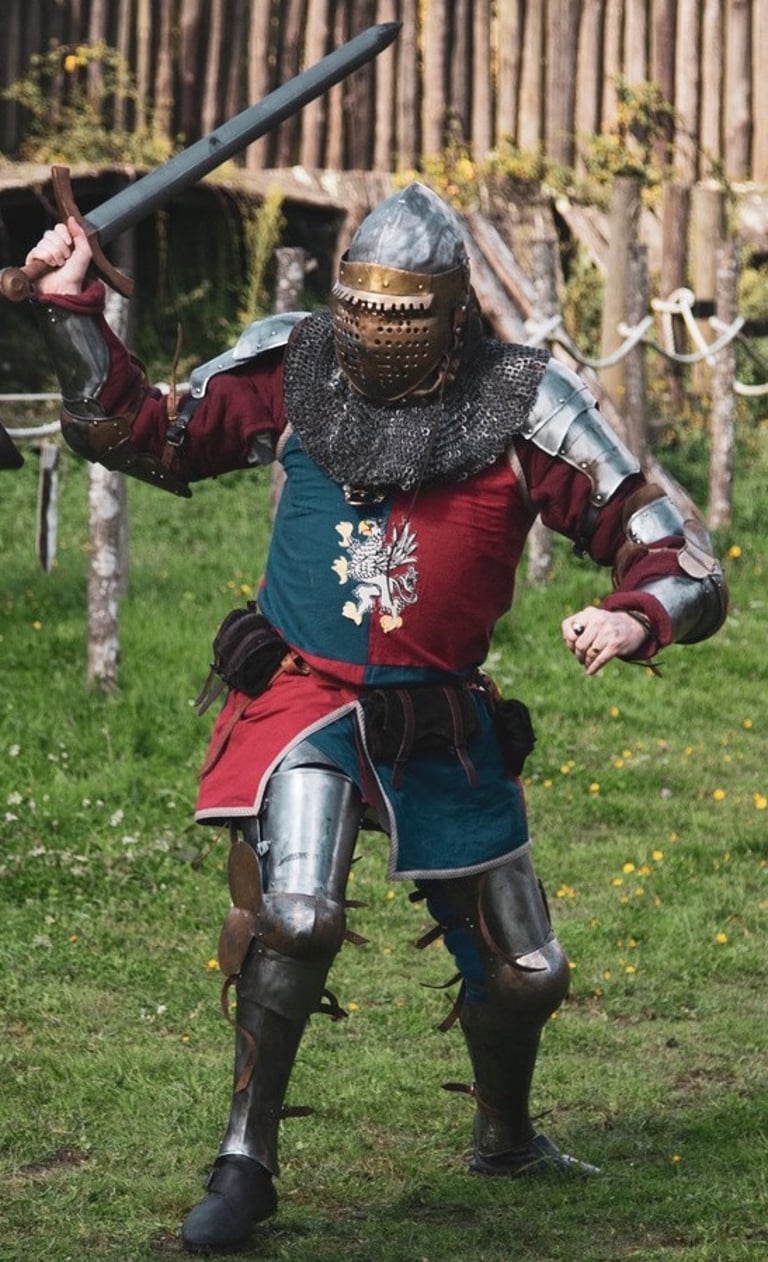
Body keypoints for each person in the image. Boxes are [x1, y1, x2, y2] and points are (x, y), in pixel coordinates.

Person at [27, 182, 726, 1254]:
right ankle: (244, 1162)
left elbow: (677, 551)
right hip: (303, 694)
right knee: (297, 915)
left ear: (449, 311)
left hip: (438, 716)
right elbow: (145, 433)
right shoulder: (295, 364)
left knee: (528, 973)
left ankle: (505, 1137)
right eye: (361, 309)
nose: (374, 334)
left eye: (399, 315)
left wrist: (636, 614)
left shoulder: (526, 401)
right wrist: (71, 310)